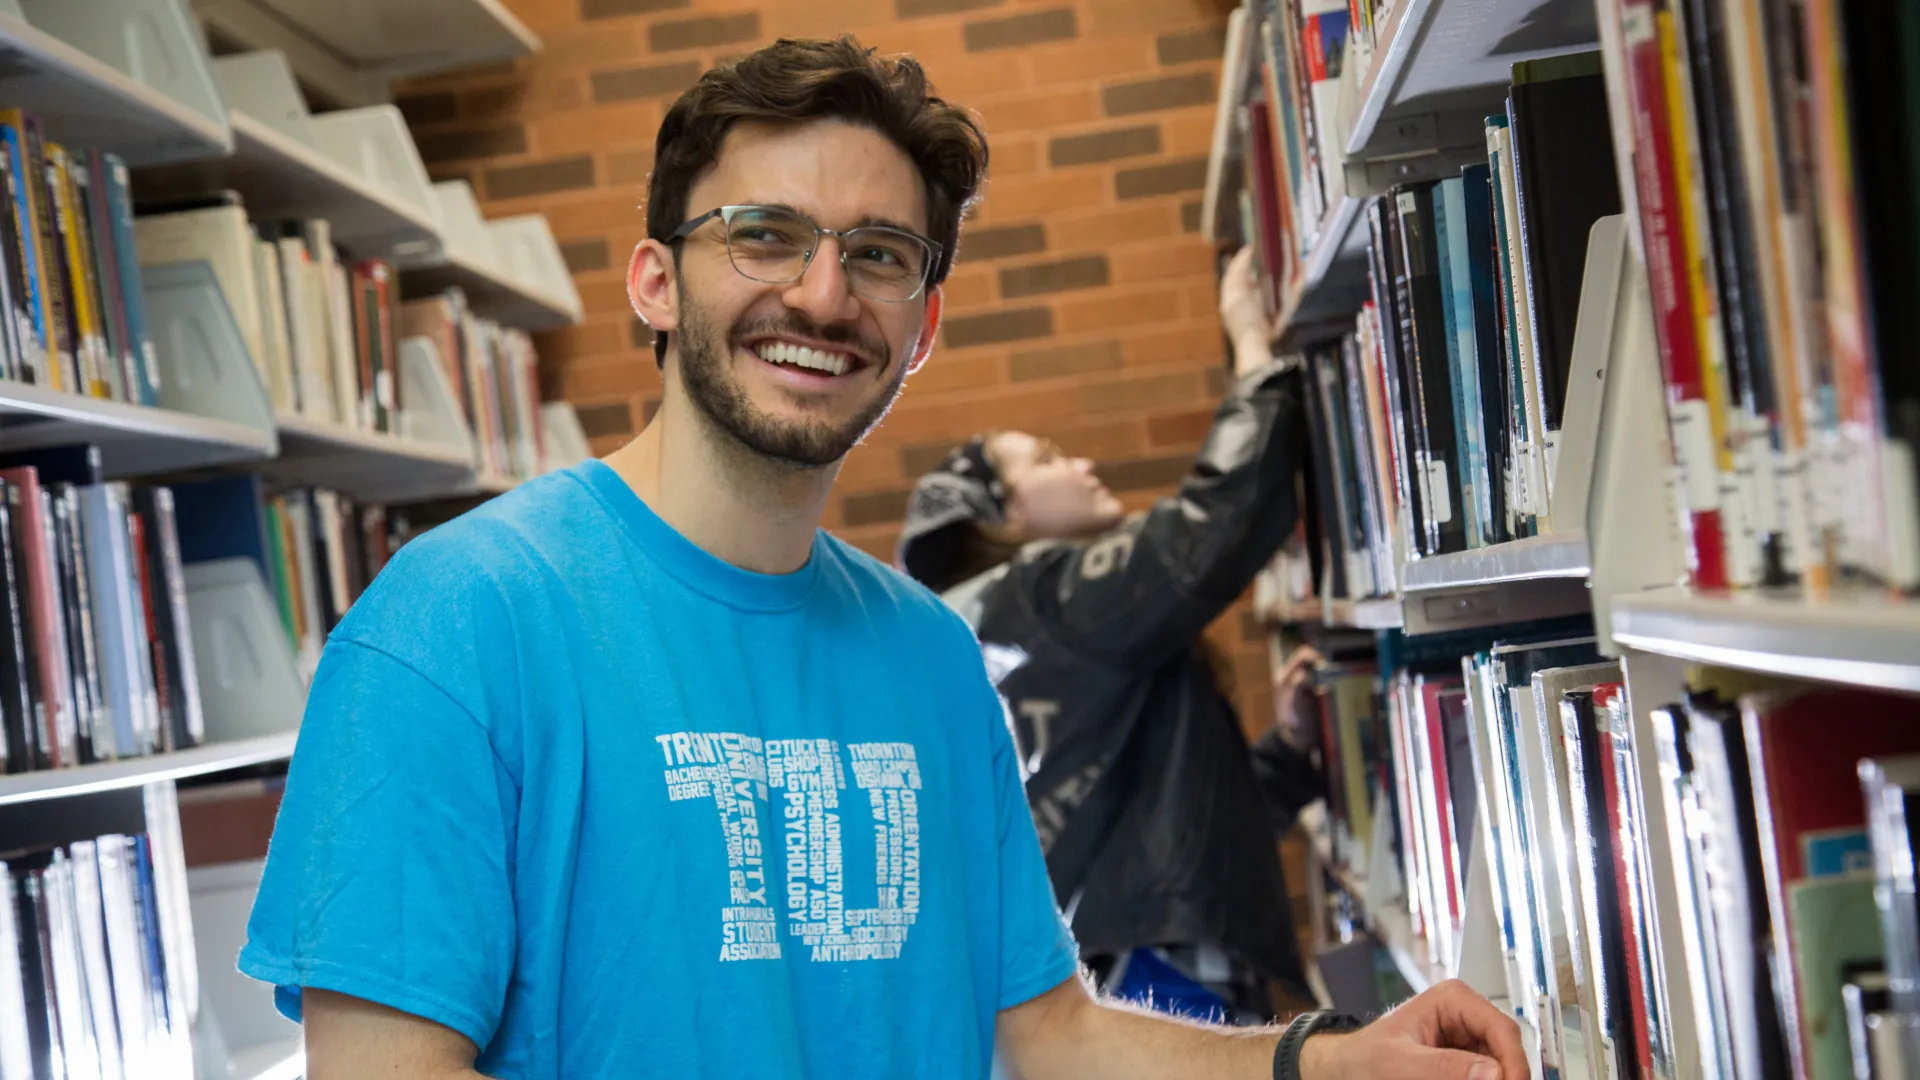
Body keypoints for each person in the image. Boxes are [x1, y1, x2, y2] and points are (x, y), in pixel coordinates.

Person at [236, 35, 1527, 1080]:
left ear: (921, 327)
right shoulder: (456, 626)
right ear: (653, 282)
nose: (820, 294)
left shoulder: (928, 655)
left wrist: (1321, 1065)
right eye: (763, 234)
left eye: (879, 256)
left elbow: (1046, 1035)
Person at [895, 248, 1329, 1022]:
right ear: (1000, 515)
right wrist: (1252, 349)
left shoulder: (970, 636)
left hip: (1109, 981)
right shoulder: (1040, 595)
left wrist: (1290, 758)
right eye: (1048, 459)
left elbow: (1162, 833)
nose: (1084, 463)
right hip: (1165, 977)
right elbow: (1217, 526)